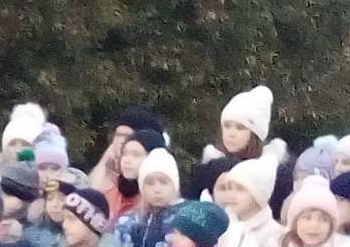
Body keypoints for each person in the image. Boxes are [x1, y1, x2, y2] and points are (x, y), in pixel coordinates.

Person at [186, 85, 293, 217]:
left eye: (240, 127)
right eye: (227, 126)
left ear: (255, 134)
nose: (231, 133)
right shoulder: (207, 170)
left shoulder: (277, 174)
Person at [88, 106, 165, 195]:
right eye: (118, 135)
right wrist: (104, 162)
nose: (121, 141)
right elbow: (92, 193)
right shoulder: (108, 169)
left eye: (127, 136)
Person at [104, 129, 166, 220]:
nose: (127, 160)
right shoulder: (109, 196)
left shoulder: (163, 203)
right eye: (125, 154)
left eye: (136, 155)